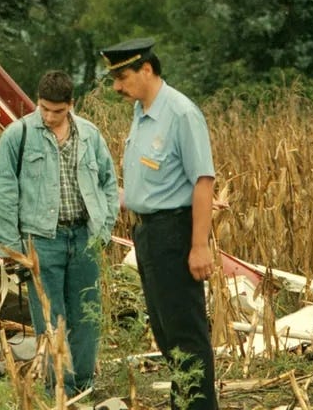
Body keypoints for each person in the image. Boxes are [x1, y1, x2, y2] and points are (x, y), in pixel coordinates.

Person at [100, 38, 218, 410]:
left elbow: (203, 180)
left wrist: (199, 246)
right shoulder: (142, 111)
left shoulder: (180, 113)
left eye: (122, 76)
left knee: (186, 334)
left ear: (146, 69)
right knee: (166, 334)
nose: (117, 86)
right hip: (147, 234)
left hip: (174, 232)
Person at [0, 70, 119, 399]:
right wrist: (12, 248)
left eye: (57, 111)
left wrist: (103, 229)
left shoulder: (90, 135)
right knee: (50, 317)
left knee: (87, 316)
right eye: (44, 108)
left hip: (84, 236)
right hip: (41, 240)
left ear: (70, 106)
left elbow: (108, 182)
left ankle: (83, 389)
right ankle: (58, 389)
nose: (49, 116)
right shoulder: (17, 136)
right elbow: (3, 192)